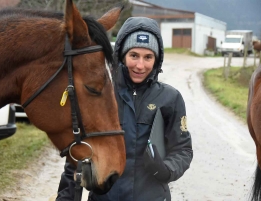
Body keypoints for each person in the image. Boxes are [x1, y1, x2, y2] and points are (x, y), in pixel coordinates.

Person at [56, 16, 193, 201]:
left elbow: (182, 149)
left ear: (156, 59)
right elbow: (78, 153)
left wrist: (167, 169)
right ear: (121, 55)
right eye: (134, 55)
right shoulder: (100, 96)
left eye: (148, 57)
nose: (140, 65)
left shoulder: (170, 98)